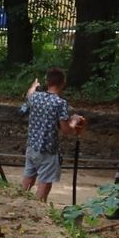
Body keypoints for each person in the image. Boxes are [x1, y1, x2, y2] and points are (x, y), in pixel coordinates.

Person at [21, 67, 86, 202]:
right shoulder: (60, 103)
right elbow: (66, 130)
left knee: (28, 177)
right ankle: (38, 209)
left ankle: (21, 203)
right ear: (63, 83)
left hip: (31, 147)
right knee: (44, 182)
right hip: (48, 150)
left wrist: (34, 86)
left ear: (47, 81)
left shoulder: (35, 97)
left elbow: (29, 94)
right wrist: (74, 120)